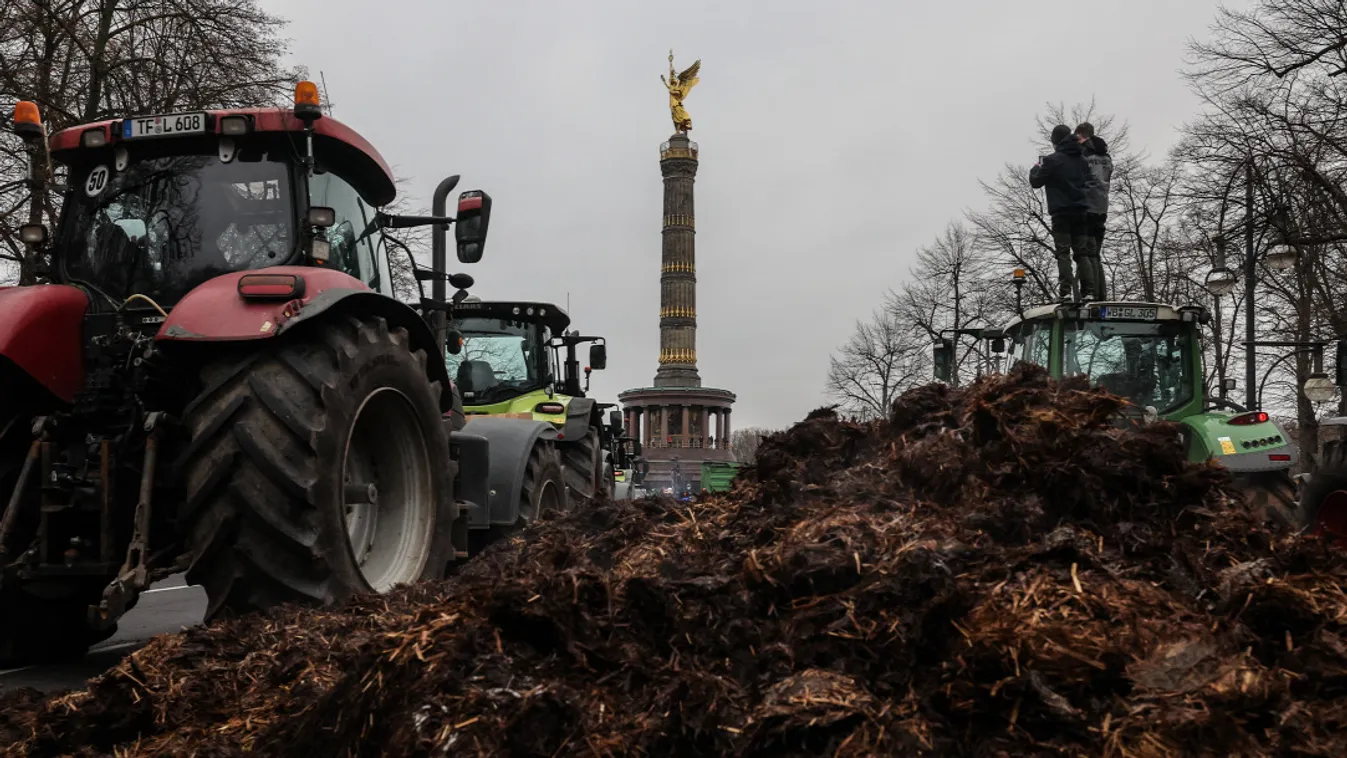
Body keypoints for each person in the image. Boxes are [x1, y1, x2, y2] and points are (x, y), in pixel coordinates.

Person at [1030, 124, 1097, 300]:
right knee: (1082, 252)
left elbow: (1036, 181)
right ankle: (1089, 291)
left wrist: (1037, 166)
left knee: (1063, 252)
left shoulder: (1052, 160)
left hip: (1061, 213)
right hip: (1082, 211)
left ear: (1055, 141)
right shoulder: (1083, 161)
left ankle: (1065, 292)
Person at [1076, 122, 1112, 299]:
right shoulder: (1106, 157)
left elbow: (1079, 179)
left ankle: (1090, 292)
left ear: (1081, 136)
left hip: (1087, 207)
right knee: (1096, 254)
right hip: (1102, 206)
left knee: (1086, 253)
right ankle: (1101, 294)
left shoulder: (1084, 155)